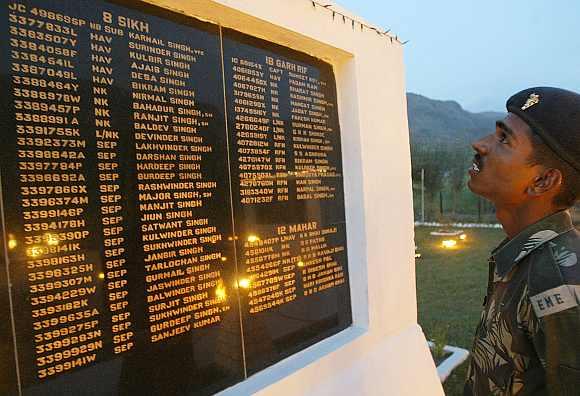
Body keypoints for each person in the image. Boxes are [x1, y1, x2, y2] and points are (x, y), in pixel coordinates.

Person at [464, 87, 580, 395]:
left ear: (543, 181)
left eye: (504, 139)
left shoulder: (561, 281)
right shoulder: (526, 256)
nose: (480, 144)